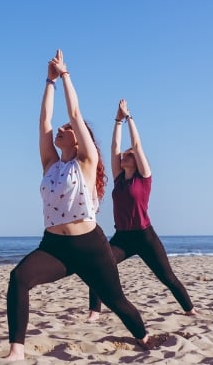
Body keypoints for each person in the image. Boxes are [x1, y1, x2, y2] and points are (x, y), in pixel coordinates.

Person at [4, 50, 155, 361]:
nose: (60, 129)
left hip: (90, 246)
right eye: (60, 129)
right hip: (53, 247)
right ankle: (16, 351)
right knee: (18, 278)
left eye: (67, 129)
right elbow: (44, 120)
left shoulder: (87, 162)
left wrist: (66, 75)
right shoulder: (50, 164)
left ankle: (145, 338)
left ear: (79, 137)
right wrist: (49, 80)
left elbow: (74, 112)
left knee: (117, 302)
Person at [86, 99, 196, 320]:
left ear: (136, 161)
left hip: (145, 236)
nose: (123, 157)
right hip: (122, 237)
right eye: (123, 156)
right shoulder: (119, 179)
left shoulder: (144, 179)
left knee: (167, 277)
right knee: (98, 266)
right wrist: (117, 120)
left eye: (128, 156)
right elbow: (114, 148)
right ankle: (94, 312)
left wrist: (129, 118)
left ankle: (190, 310)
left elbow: (136, 145)